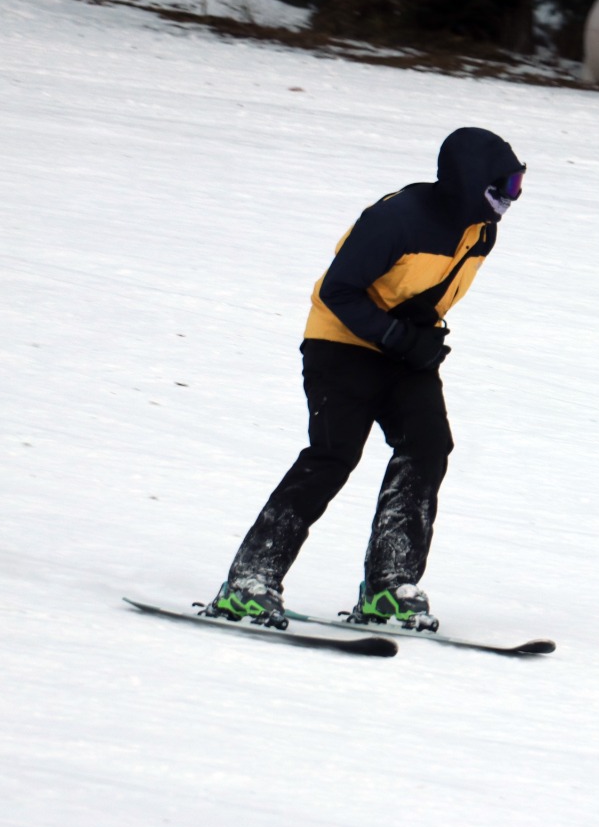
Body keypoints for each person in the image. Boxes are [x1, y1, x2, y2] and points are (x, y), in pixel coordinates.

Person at [205, 127, 525, 631]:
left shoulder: (481, 230)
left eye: (518, 185)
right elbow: (338, 291)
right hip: (340, 345)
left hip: (399, 351)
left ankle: (389, 588)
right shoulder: (396, 219)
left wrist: (422, 332)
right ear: (468, 181)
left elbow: (422, 290)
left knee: (428, 446)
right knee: (333, 455)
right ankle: (250, 581)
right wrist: (399, 337)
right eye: (505, 185)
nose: (513, 198)